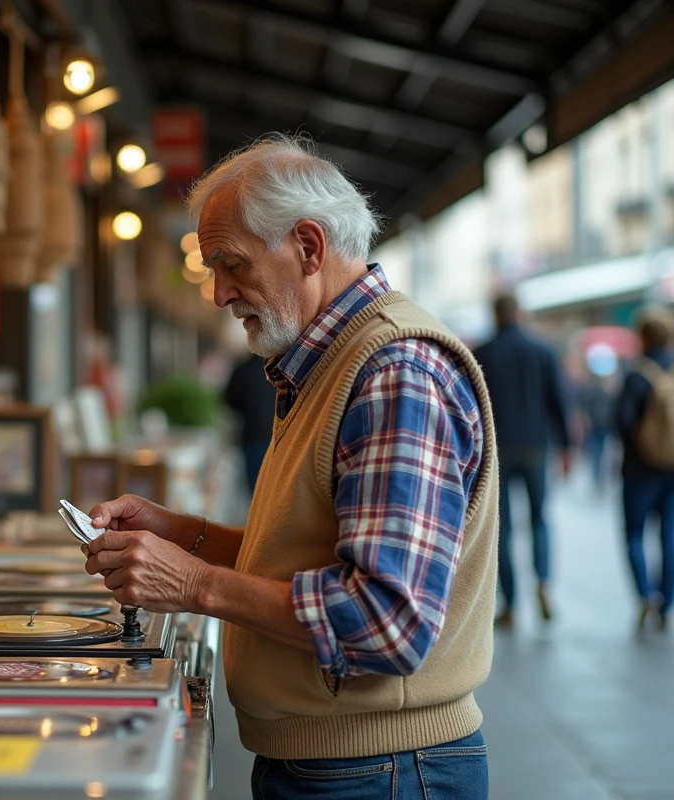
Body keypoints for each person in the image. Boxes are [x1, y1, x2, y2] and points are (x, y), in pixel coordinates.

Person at [83, 136, 497, 800]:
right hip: (350, 762)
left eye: (231, 263)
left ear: (308, 246)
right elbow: (313, 559)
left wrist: (194, 586)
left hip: (382, 770)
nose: (218, 293)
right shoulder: (328, 363)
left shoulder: (394, 371)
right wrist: (180, 535)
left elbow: (386, 621)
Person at [473, 294, 573, 626]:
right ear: (520, 314)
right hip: (535, 447)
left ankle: (511, 604)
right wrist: (568, 447)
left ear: (495, 314)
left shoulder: (483, 353)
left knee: (502, 528)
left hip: (497, 451)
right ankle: (543, 581)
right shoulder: (542, 351)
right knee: (540, 519)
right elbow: (558, 401)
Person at [616, 308, 674, 632]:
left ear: (643, 337)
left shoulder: (638, 375)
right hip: (672, 469)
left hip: (639, 471)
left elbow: (623, 422)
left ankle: (644, 594)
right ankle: (666, 601)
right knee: (670, 534)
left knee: (635, 534)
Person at [223, 352, 277, 491]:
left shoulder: (242, 371)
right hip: (278, 435)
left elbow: (229, 401)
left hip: (253, 436)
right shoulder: (282, 369)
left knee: (255, 488)